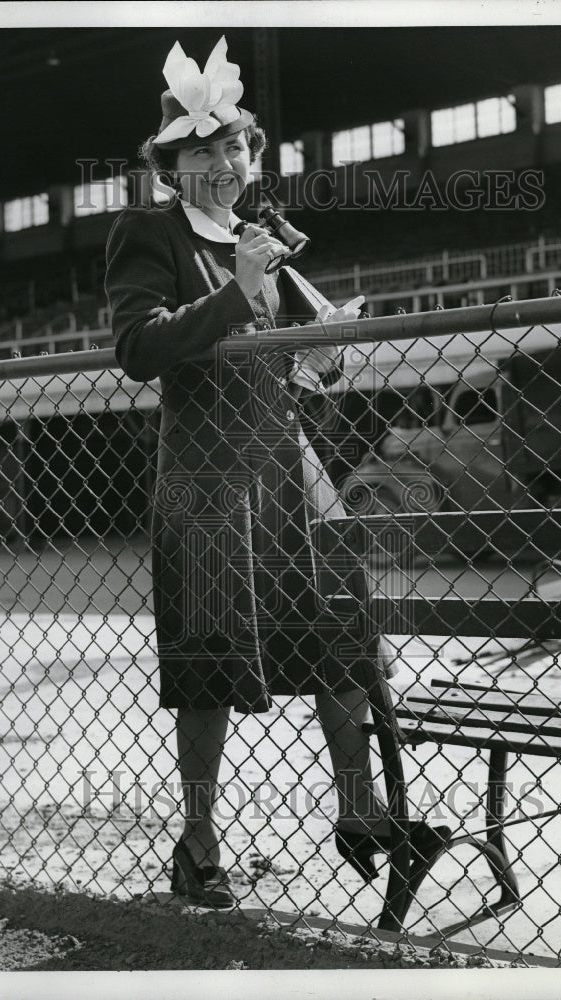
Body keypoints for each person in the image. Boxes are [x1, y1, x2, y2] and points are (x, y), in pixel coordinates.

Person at [105, 36, 449, 907]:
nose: (225, 161)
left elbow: (301, 360)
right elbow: (140, 350)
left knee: (343, 637)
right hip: (208, 473)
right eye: (205, 151)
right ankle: (197, 841)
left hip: (289, 465)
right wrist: (236, 290)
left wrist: (328, 346)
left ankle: (362, 808)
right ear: (172, 168)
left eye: (235, 147)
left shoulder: (262, 239)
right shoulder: (148, 233)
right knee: (210, 663)